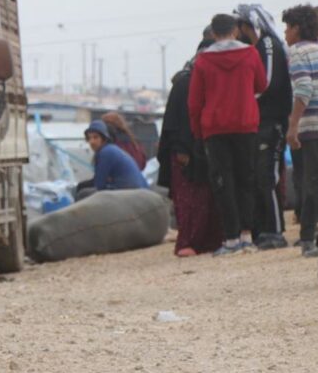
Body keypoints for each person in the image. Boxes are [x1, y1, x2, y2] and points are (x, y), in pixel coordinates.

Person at [188, 13, 267, 255]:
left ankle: (231, 238)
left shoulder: (202, 61)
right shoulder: (250, 54)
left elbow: (194, 102)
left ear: (213, 33)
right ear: (235, 31)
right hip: (246, 124)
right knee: (247, 179)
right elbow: (261, 85)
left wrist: (197, 131)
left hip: (215, 127)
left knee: (223, 182)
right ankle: (247, 235)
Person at [233, 4, 293, 249]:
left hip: (271, 121)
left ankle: (275, 231)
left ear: (249, 26)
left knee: (267, 176)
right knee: (260, 177)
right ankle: (265, 230)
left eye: (241, 26)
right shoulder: (258, 47)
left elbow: (266, 82)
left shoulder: (267, 44)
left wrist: (244, 101)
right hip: (262, 122)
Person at [157, 38, 222, 257]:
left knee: (209, 199)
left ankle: (210, 241)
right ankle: (188, 242)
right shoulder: (185, 83)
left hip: (207, 148)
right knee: (189, 200)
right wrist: (182, 150)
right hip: (185, 151)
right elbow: (174, 123)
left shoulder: (211, 80)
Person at [282, 4, 318, 258]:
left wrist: (293, 126)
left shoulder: (298, 52)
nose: (285, 33)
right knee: (317, 182)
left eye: (287, 27)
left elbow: (303, 89)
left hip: (313, 126)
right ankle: (307, 238)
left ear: (297, 29)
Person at [83, 119, 149, 194]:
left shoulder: (105, 153)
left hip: (130, 194)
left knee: (83, 193)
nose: (92, 142)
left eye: (96, 137)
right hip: (140, 191)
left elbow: (99, 185)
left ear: (104, 138)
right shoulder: (112, 149)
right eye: (89, 138)